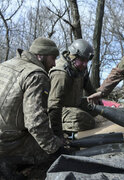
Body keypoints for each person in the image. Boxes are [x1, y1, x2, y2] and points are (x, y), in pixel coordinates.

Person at [0, 37, 71, 178]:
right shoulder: (36, 75)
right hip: (8, 143)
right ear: (40, 56)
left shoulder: (5, 65)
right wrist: (55, 146)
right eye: (53, 58)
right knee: (59, 156)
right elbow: (35, 123)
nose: (54, 63)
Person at [48, 39, 96, 138]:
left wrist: (96, 97)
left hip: (74, 103)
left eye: (87, 61)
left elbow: (88, 86)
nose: (85, 64)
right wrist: (58, 134)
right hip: (58, 109)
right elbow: (53, 106)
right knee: (87, 121)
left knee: (96, 108)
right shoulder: (60, 73)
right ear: (73, 56)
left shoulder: (80, 68)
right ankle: (54, 126)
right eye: (82, 60)